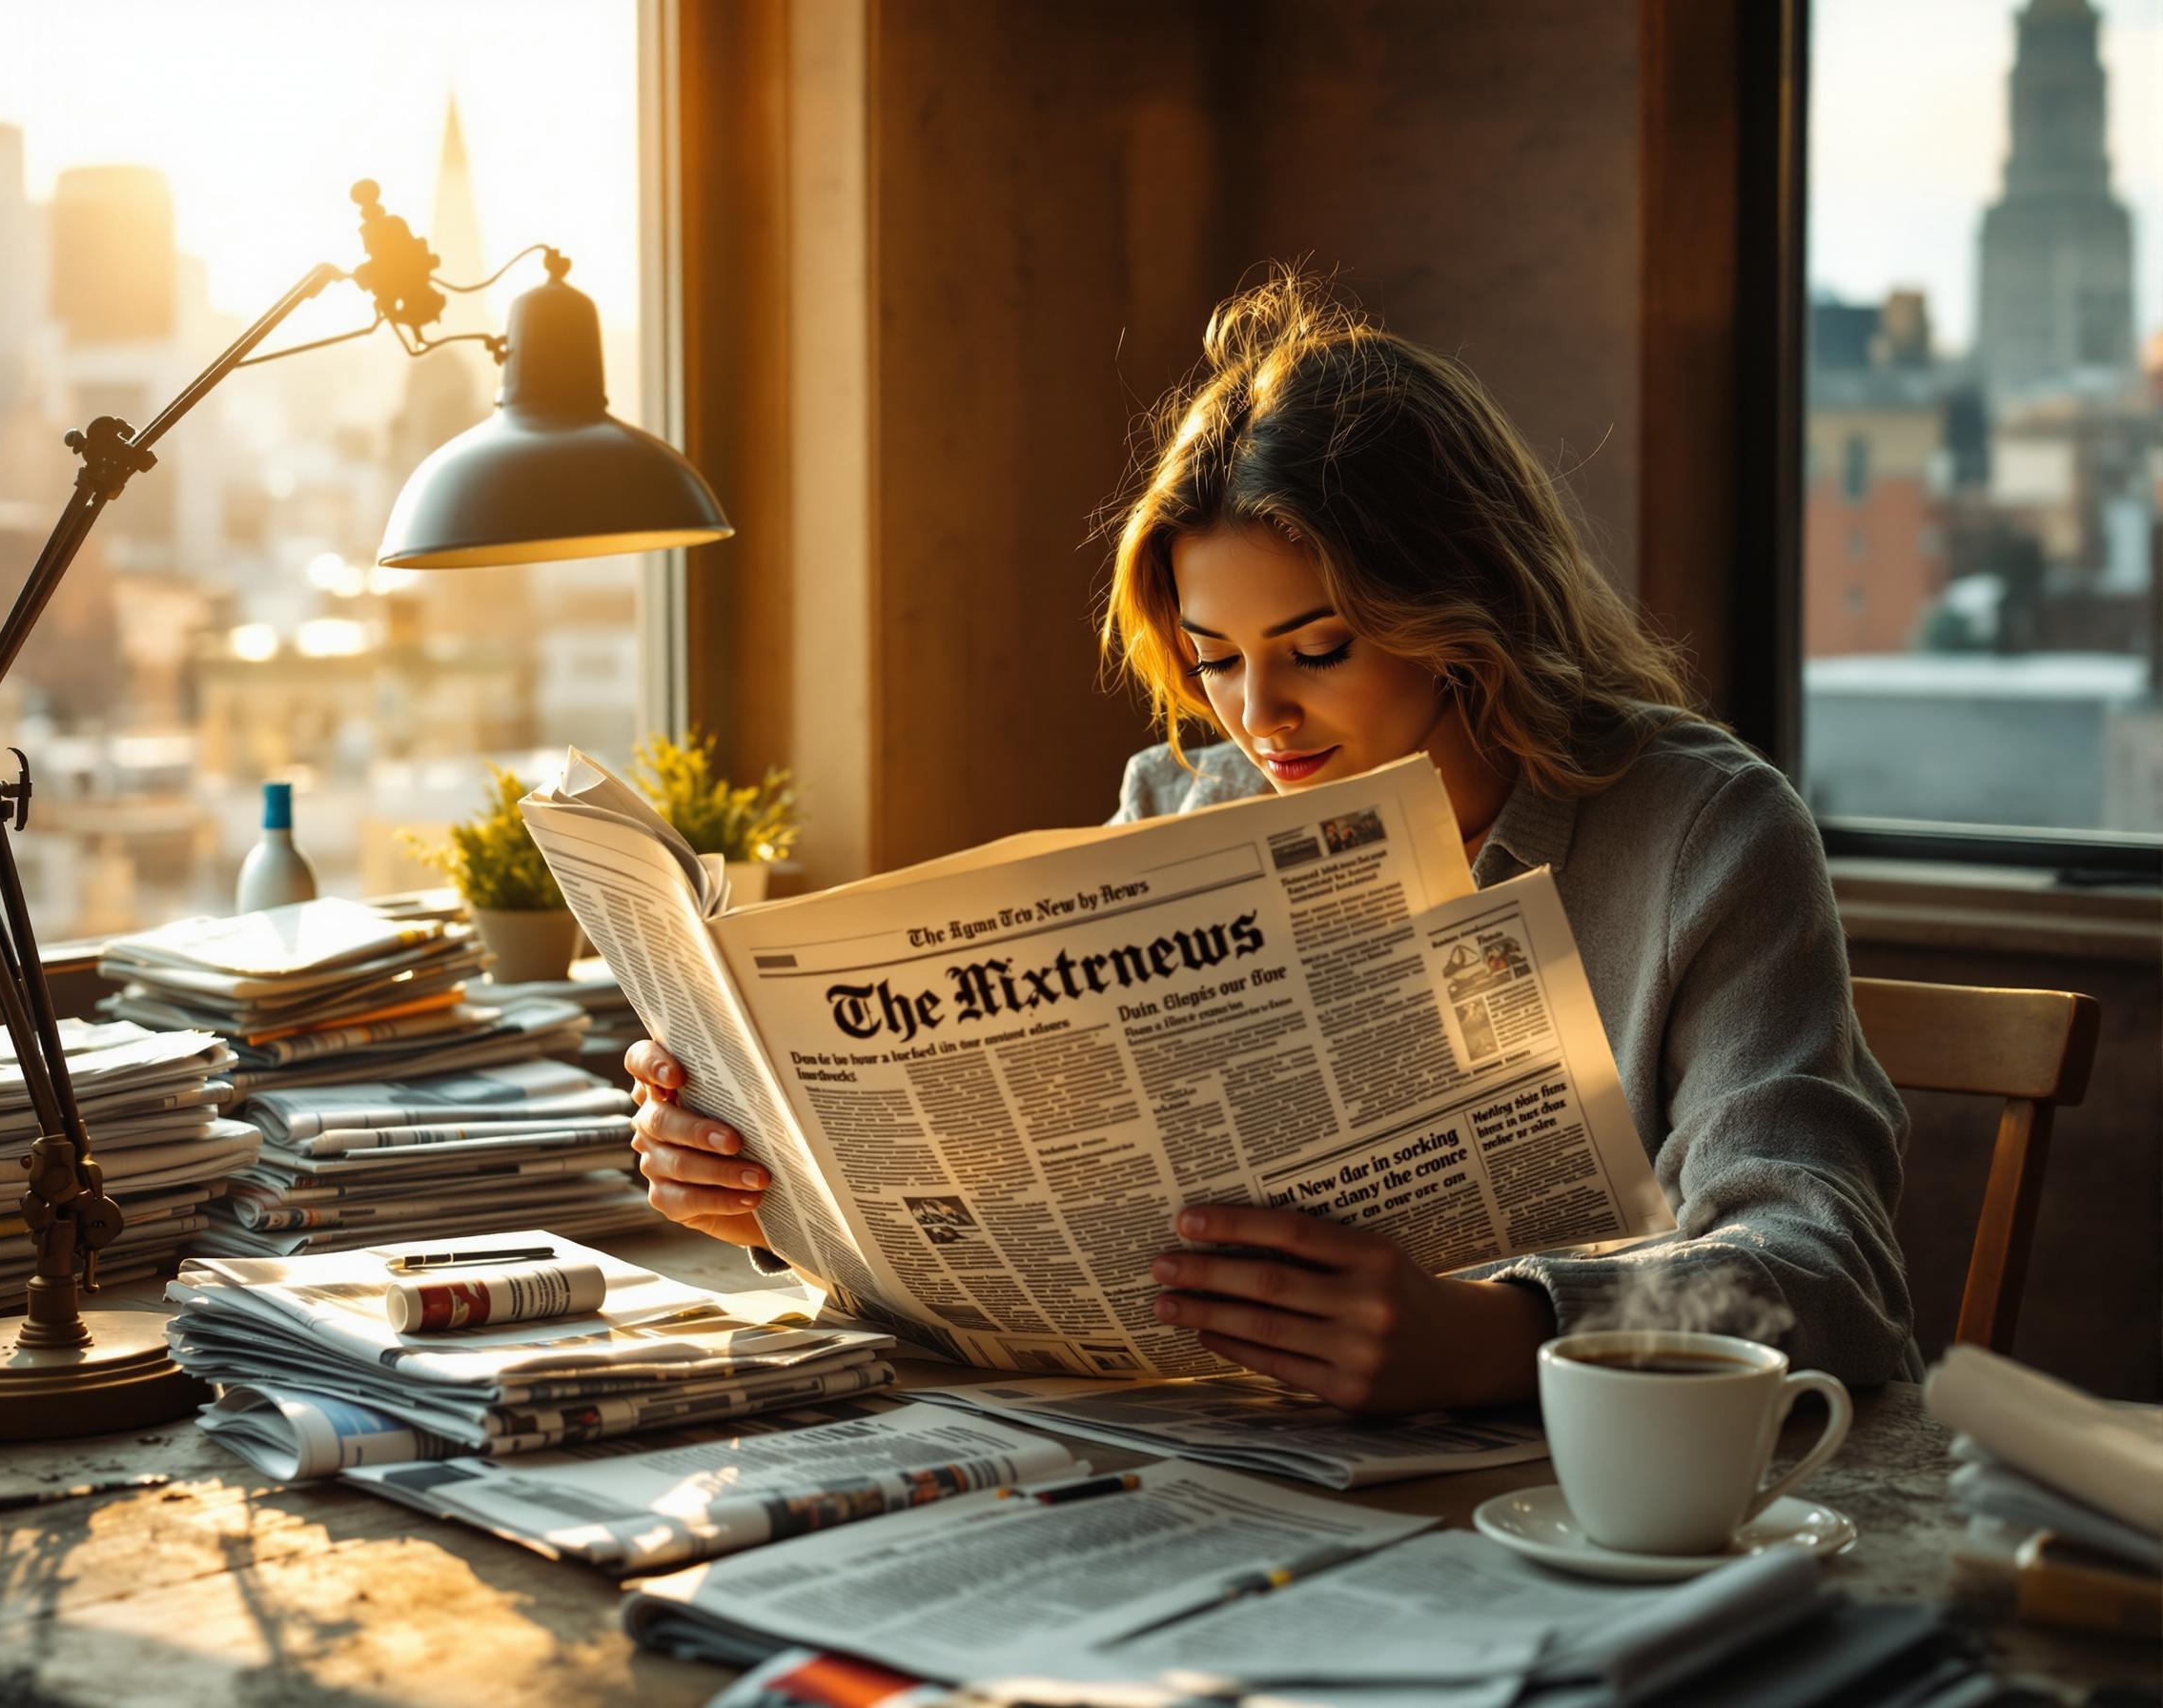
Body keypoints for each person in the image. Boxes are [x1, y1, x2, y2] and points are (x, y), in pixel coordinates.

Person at [628, 270, 1918, 1413]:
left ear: (1465, 612)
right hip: (1209, 1472)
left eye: (1319, 649)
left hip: (1583, 1513)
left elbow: (1824, 1273)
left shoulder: (1705, 836)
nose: (1258, 718)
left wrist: (1503, 1333)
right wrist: (771, 1190)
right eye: (1215, 659)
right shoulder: (1180, 812)